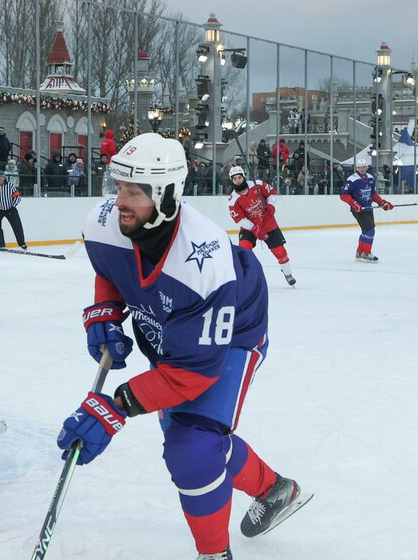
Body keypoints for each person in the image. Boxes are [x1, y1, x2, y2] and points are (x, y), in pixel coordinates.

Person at [57, 133, 310, 560]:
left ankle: (214, 553)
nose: (120, 200)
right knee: (194, 436)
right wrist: (104, 309)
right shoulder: (106, 221)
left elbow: (193, 372)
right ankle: (276, 489)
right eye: (118, 186)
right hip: (172, 325)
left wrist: (116, 405)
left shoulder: (204, 262)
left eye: (134, 192)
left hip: (231, 333)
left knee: (191, 446)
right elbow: (112, 270)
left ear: (168, 195)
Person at [227, 166, 296, 286]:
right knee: (244, 249)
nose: (237, 180)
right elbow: (239, 219)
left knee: (280, 252)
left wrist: (271, 205)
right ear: (232, 181)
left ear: (243, 177)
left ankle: (287, 272)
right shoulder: (233, 200)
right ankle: (243, 276)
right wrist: (254, 228)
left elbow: (272, 193)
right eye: (234, 179)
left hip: (268, 223)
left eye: (239, 177)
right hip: (249, 227)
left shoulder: (257, 184)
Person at [340, 158, 393, 262]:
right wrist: (354, 204)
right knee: (370, 230)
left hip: (368, 208)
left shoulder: (370, 178)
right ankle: (367, 253)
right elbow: (343, 195)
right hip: (358, 210)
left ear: (366, 167)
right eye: (360, 167)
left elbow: (372, 194)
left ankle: (360, 251)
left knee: (366, 230)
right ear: (357, 168)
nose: (362, 169)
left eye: (364, 167)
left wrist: (382, 203)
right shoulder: (352, 179)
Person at [0, 169, 27, 249]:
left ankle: (22, 243)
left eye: (2, 177)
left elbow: (17, 197)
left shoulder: (10, 185)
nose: (0, 178)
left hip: (10, 209)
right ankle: (0, 244)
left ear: (4, 177)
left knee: (17, 226)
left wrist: (13, 206)